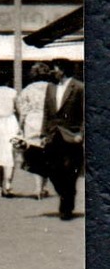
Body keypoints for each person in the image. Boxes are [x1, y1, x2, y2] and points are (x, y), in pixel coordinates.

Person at [42, 61, 85, 220]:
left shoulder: (79, 87)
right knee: (52, 169)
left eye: (56, 68)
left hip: (71, 135)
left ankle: (67, 206)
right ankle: (65, 193)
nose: (53, 71)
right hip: (54, 134)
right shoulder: (51, 87)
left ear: (63, 70)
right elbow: (46, 112)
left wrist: (81, 133)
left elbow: (85, 113)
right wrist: (43, 134)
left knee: (70, 171)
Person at [15, 62, 54, 199]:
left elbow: (23, 112)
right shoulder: (53, 88)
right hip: (48, 124)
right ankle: (43, 187)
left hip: (31, 123)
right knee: (47, 156)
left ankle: (38, 188)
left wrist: (20, 127)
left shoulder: (26, 90)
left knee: (35, 156)